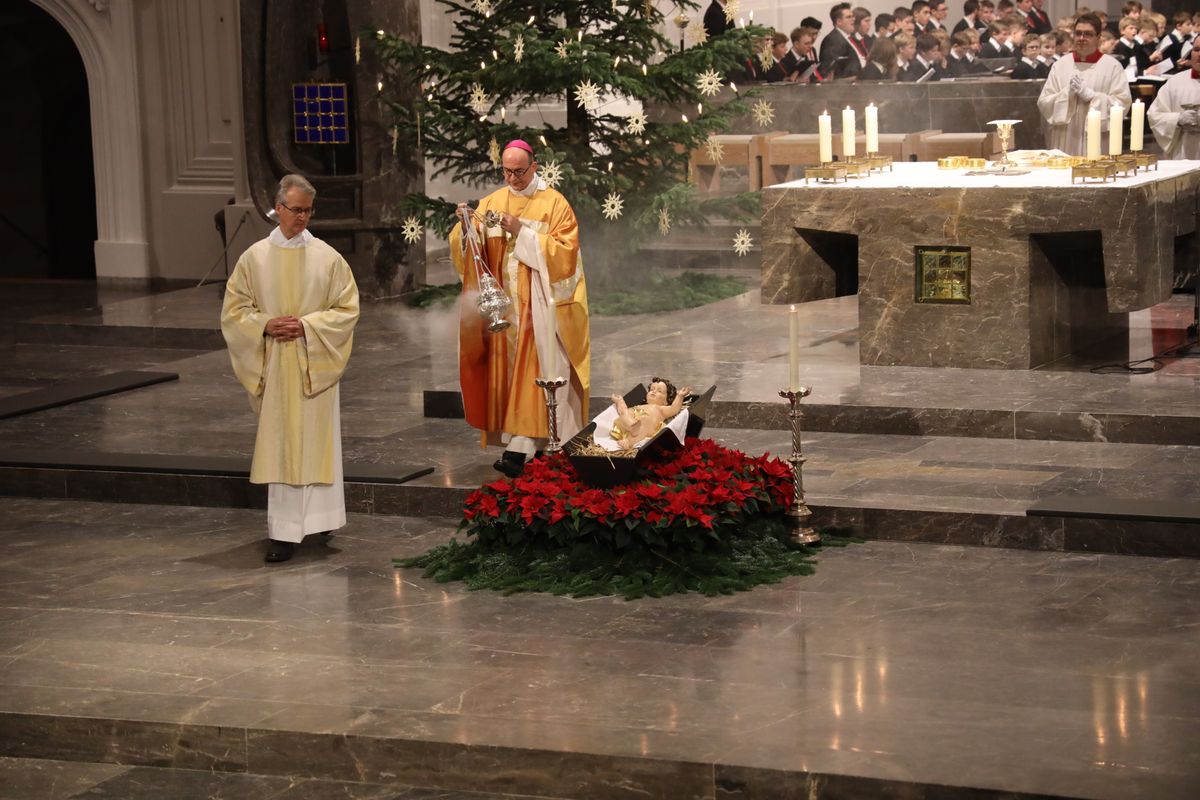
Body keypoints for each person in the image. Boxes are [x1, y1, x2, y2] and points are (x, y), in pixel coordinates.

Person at [220, 174, 360, 564]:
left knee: (317, 444)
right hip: (278, 366)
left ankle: (321, 519)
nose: (302, 217)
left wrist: (309, 326)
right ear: (277, 208)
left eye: (308, 210)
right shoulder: (254, 258)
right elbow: (234, 311)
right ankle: (282, 533)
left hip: (313, 362)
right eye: (296, 209)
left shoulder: (328, 258)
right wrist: (264, 324)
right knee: (282, 447)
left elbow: (347, 310)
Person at [449, 140, 590, 479]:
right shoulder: (494, 201)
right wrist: (466, 224)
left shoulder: (554, 204)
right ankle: (521, 441)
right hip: (506, 310)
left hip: (540, 307)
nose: (511, 178)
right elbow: (469, 249)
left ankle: (524, 447)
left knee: (537, 374)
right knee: (510, 376)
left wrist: (522, 232)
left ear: (534, 166)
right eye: (506, 171)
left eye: (518, 171)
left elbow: (565, 255)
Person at [1037, 13, 1132, 155]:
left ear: (1098, 38)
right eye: (1078, 33)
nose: (1081, 38)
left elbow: (1122, 103)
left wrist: (1093, 97)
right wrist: (1066, 95)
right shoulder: (1061, 65)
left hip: (1098, 139)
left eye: (1088, 34)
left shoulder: (1112, 66)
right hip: (1066, 136)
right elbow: (1044, 102)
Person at [607, 379, 692, 451]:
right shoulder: (639, 406)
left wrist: (680, 396)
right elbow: (624, 411)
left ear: (666, 401)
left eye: (659, 391)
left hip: (643, 426)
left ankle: (629, 442)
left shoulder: (661, 409)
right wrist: (620, 402)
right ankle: (630, 424)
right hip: (630, 423)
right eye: (652, 389)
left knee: (645, 420)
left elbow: (674, 409)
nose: (654, 391)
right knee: (625, 412)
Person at [1148, 46, 1200, 158]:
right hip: (1182, 154)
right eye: (1197, 49)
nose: (1199, 54)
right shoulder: (1175, 82)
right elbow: (1154, 116)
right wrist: (1177, 119)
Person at [820, 3, 865, 78]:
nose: (853, 19)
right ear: (839, 22)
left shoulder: (853, 38)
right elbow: (832, 69)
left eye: (853, 16)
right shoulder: (831, 40)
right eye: (849, 17)